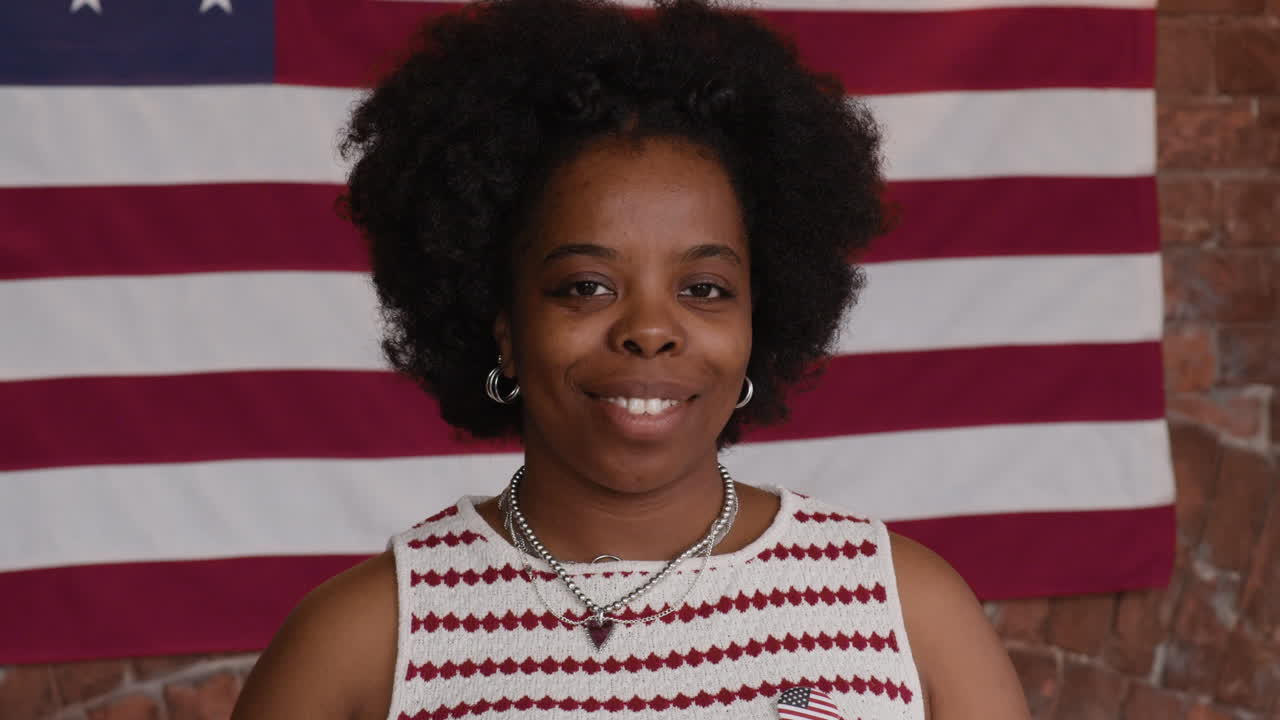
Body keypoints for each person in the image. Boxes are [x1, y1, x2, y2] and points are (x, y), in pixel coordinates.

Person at [232, 0, 1029, 717]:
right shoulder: (362, 644)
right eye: (586, 285)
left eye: (706, 289)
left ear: (764, 313)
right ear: (502, 325)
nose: (651, 329)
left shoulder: (904, 611)